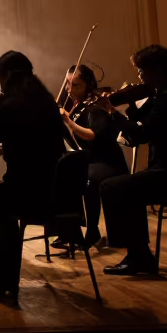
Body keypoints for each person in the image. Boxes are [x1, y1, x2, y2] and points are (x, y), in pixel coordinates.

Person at [0, 50, 66, 302]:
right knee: (3, 210)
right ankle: (0, 278)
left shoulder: (10, 106)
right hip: (53, 189)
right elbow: (33, 143)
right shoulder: (45, 101)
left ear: (7, 76)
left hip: (25, 192)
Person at [98, 44, 167, 277]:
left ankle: (137, 256)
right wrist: (127, 102)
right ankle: (139, 255)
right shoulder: (163, 92)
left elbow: (140, 135)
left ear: (155, 70)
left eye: (140, 70)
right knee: (125, 187)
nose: (138, 76)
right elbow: (138, 125)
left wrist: (111, 112)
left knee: (112, 187)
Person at [55, 63, 126, 249]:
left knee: (85, 179)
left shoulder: (95, 106)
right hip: (89, 159)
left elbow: (92, 136)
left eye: (76, 85)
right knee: (62, 175)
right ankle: (69, 231)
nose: (70, 90)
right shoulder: (77, 105)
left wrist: (67, 121)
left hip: (106, 160)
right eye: (68, 84)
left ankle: (92, 231)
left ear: (88, 84)